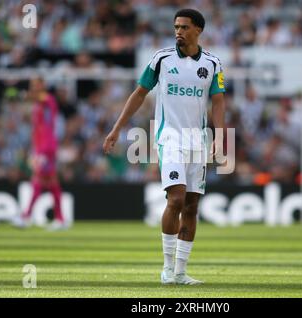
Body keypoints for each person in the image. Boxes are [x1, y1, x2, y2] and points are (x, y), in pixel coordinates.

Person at [103, 8, 226, 285]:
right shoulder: (161, 58)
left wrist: (219, 136)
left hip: (198, 141)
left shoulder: (214, 64)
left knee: (192, 207)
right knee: (176, 199)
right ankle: (167, 268)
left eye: (184, 27)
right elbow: (139, 93)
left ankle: (181, 272)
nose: (178, 32)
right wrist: (116, 129)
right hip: (170, 138)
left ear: (198, 30)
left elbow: (218, 102)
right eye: (176, 27)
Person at [12, 77, 68, 231]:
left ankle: (26, 217)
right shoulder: (39, 104)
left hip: (46, 146)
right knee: (51, 182)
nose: (33, 88)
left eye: (36, 85)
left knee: (38, 179)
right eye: (32, 85)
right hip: (42, 146)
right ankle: (60, 219)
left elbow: (36, 97)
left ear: (43, 85)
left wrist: (18, 91)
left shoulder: (48, 99)